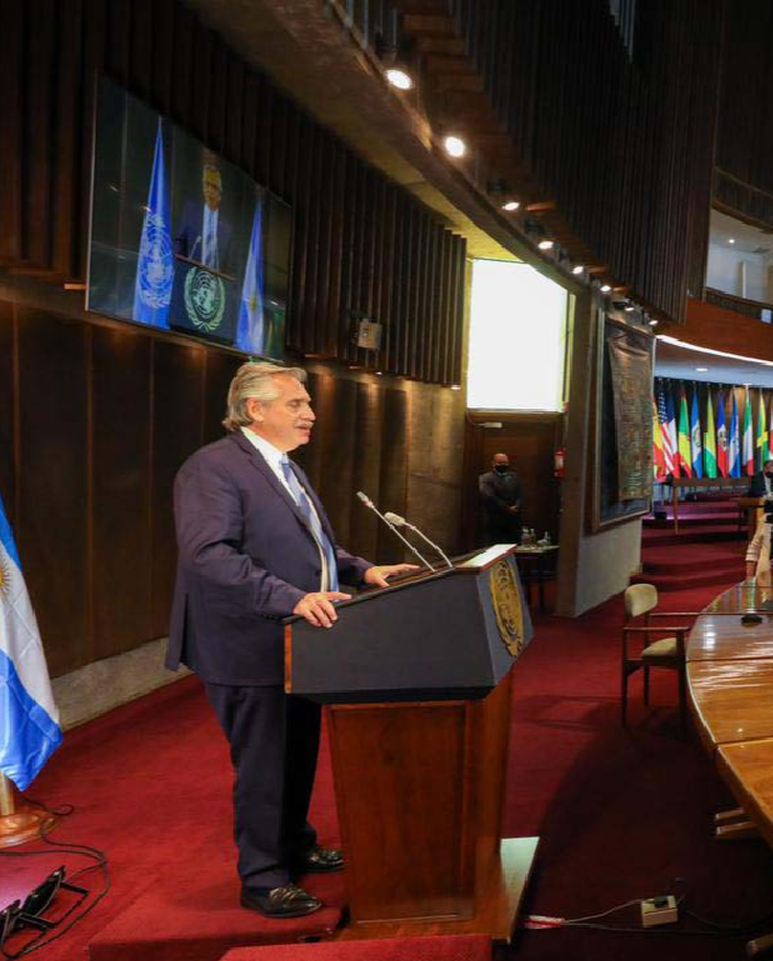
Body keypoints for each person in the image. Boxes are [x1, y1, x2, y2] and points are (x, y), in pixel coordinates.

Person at [167, 363, 419, 918]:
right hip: (247, 644)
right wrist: (289, 598)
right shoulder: (212, 468)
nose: (310, 415)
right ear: (255, 409)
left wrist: (360, 570)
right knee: (264, 762)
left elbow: (311, 548)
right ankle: (261, 878)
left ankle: (295, 845)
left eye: (307, 405)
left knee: (298, 750)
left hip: (302, 641)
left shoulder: (282, 466)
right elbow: (209, 555)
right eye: (296, 405)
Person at [177, 156, 232, 271]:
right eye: (206, 185)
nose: (209, 190)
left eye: (213, 186)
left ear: (220, 192)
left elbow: (227, 264)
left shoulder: (226, 227)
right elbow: (179, 243)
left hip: (213, 284)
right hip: (189, 279)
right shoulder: (191, 211)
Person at [478, 453, 523, 544]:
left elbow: (519, 493)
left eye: (505, 462)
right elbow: (489, 496)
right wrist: (507, 508)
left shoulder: (514, 477)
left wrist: (517, 506)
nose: (503, 465)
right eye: (500, 462)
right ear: (493, 463)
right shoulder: (486, 478)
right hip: (495, 519)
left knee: (513, 546)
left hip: (513, 520)